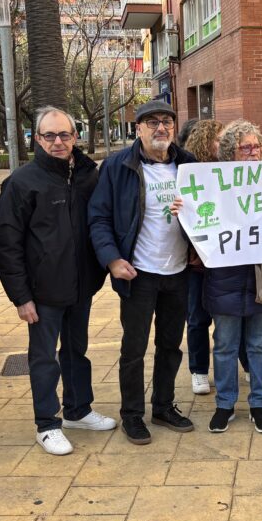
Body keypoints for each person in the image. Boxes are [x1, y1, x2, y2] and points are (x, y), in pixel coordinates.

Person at [0, 107, 111, 455]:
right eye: (49, 135)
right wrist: (21, 297)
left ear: (76, 137)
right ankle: (47, 423)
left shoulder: (89, 176)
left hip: (81, 285)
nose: (58, 142)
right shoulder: (22, 182)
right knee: (44, 358)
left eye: (65, 135)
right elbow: (7, 244)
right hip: (41, 292)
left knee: (77, 351)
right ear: (37, 139)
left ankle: (78, 409)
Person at [90, 100, 196, 444]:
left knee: (171, 344)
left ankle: (163, 406)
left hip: (178, 271)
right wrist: (112, 259)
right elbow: (99, 217)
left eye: (166, 121)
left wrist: (197, 241)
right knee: (133, 348)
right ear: (138, 129)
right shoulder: (119, 165)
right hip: (139, 272)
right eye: (152, 123)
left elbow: (209, 210)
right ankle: (132, 415)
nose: (160, 128)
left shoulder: (189, 164)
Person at [185, 120, 262, 433]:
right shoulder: (212, 183)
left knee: (260, 345)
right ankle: (225, 404)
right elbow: (198, 227)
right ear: (230, 151)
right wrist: (183, 212)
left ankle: (258, 404)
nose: (253, 152)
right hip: (225, 278)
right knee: (225, 345)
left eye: (256, 146)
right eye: (245, 147)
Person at [181, 118, 224, 394]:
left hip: (225, 259)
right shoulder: (187, 174)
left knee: (230, 318)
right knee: (197, 318)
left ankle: (238, 365)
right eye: (219, 138)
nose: (223, 143)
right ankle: (198, 370)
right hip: (196, 262)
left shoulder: (231, 170)